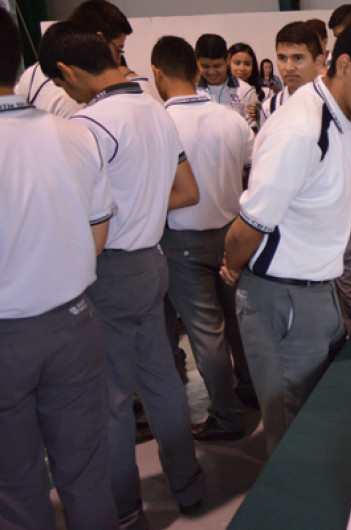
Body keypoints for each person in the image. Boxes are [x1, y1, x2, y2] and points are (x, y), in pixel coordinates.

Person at [220, 15, 351, 454]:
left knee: (316, 412)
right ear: (343, 66)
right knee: (292, 430)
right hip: (283, 296)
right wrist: (232, 268)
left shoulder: (344, 113)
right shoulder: (299, 130)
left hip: (319, 286)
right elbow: (247, 228)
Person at [39, 21, 204, 527]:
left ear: (67, 71)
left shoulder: (90, 126)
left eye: (59, 83)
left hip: (109, 270)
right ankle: (189, 487)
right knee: (161, 379)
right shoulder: (155, 109)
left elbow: (79, 213)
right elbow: (185, 189)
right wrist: (142, 210)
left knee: (109, 398)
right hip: (152, 260)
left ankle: (126, 509)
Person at [0, 10, 117, 529]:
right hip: (73, 323)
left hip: (7, 338)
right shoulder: (75, 135)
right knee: (86, 472)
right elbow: (98, 234)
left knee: (14, 486)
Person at [151, 35, 255, 442]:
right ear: (196, 69)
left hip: (183, 241)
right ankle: (252, 390)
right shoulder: (231, 119)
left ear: (157, 72)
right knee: (238, 320)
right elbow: (250, 174)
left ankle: (226, 417)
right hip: (232, 234)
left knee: (206, 332)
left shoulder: (158, 124)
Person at [259, 20, 351, 338]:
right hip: (294, 226)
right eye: (282, 58)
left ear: (319, 61)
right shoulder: (271, 106)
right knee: (308, 304)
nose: (288, 67)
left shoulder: (342, 101)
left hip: (338, 217)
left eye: (298, 58)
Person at [14, 0, 130, 118]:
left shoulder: (32, 73)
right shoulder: (79, 97)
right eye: (118, 49)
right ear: (99, 41)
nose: (118, 61)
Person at [195, 33, 258, 129]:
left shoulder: (245, 92)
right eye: (205, 66)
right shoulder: (191, 90)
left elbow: (254, 130)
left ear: (227, 60)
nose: (212, 72)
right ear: (197, 62)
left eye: (217, 66)